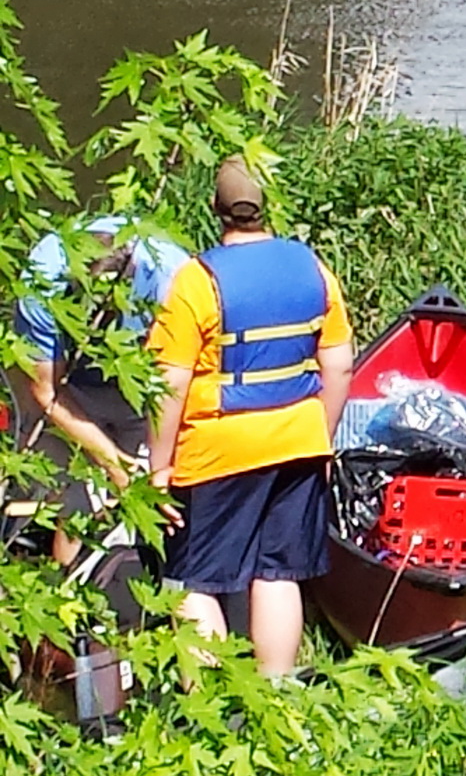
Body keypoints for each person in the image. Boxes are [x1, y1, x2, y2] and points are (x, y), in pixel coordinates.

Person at [145, 158, 354, 676]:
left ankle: (213, 706)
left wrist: (159, 466)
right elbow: (340, 363)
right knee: (278, 574)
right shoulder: (313, 268)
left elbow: (169, 382)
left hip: (217, 452)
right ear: (266, 209)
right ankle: (275, 696)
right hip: (300, 442)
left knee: (193, 581)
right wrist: (320, 438)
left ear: (215, 212)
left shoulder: (197, 279)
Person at [9, 216, 190, 566]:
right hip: (65, 386)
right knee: (77, 499)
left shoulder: (172, 276)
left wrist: (146, 466)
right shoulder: (41, 281)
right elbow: (45, 391)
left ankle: (136, 587)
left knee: (151, 491)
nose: (98, 316)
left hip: (142, 385)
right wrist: (112, 463)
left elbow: (180, 374)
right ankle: (67, 593)